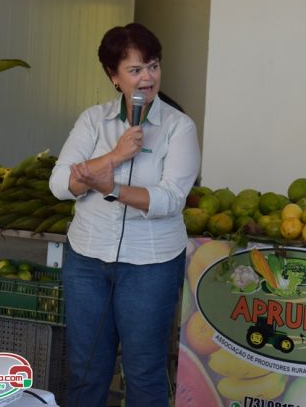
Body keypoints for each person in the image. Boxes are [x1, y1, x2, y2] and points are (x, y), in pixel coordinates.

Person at [49, 23, 200, 407]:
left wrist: (108, 186)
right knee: (85, 369)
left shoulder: (178, 127)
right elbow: (60, 184)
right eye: (134, 70)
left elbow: (169, 199)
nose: (147, 77)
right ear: (113, 77)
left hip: (150, 265)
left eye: (152, 66)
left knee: (144, 372)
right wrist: (116, 156)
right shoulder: (92, 121)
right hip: (86, 261)